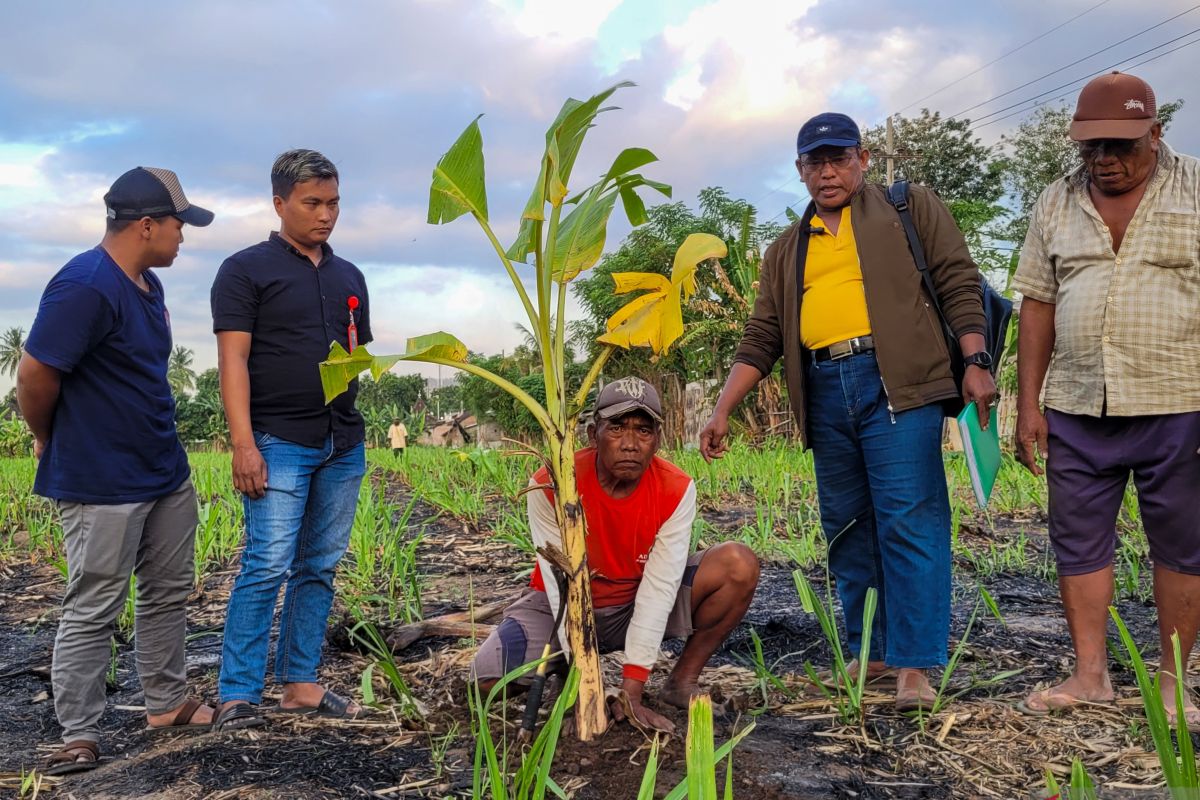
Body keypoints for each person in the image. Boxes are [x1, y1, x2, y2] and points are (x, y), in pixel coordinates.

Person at [699, 113, 995, 712]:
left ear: (862, 158)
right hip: (825, 388)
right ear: (800, 169)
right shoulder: (786, 249)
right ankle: (872, 651)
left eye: (838, 158)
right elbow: (761, 335)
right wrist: (724, 407)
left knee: (908, 519)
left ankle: (915, 664)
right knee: (849, 528)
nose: (827, 171)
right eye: (815, 162)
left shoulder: (907, 208)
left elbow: (959, 281)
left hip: (897, 382)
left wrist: (976, 359)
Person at [1012, 72, 1200, 723]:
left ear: (1156, 131)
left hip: (1178, 400)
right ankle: (1089, 674)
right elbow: (1037, 302)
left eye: (1121, 145)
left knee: (1183, 542)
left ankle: (1174, 686)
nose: (1106, 160)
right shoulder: (1054, 201)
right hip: (1076, 404)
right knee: (1079, 540)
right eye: (1093, 147)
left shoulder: (1196, 187)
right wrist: (1027, 404)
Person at [17, 167, 215, 774]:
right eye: (178, 223)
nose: (184, 234)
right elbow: (34, 375)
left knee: (167, 590)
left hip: (162, 469)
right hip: (101, 480)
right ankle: (79, 730)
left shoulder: (146, 286)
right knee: (95, 603)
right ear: (146, 224)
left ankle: (165, 701)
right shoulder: (85, 284)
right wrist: (50, 438)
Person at [472, 377, 760, 733]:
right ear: (593, 435)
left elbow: (659, 588)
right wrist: (586, 689)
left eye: (643, 431)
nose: (629, 444)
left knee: (737, 564)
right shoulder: (553, 483)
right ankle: (562, 671)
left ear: (658, 438)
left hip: (633, 601)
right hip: (557, 605)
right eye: (617, 428)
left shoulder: (676, 488)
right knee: (486, 682)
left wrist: (632, 692)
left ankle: (679, 683)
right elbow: (559, 583)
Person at [210, 149, 371, 731]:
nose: (326, 215)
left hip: (341, 444)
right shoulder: (244, 270)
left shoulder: (349, 275)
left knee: (320, 566)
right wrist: (243, 443)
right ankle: (238, 691)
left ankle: (300, 682)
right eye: (312, 203)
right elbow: (234, 359)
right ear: (279, 203)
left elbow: (355, 356)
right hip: (278, 442)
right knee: (266, 563)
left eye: (333, 203)